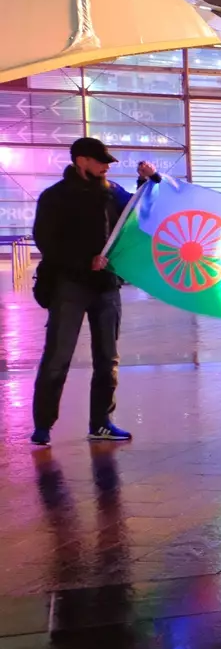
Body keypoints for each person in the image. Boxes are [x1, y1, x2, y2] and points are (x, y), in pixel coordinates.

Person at [29, 138, 158, 445]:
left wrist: (146, 180)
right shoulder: (55, 197)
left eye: (107, 163)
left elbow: (136, 211)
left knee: (107, 358)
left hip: (107, 286)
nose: (106, 166)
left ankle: (101, 422)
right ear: (80, 161)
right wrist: (84, 262)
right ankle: (43, 425)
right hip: (69, 285)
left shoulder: (112, 192)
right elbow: (46, 241)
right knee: (58, 356)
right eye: (100, 161)